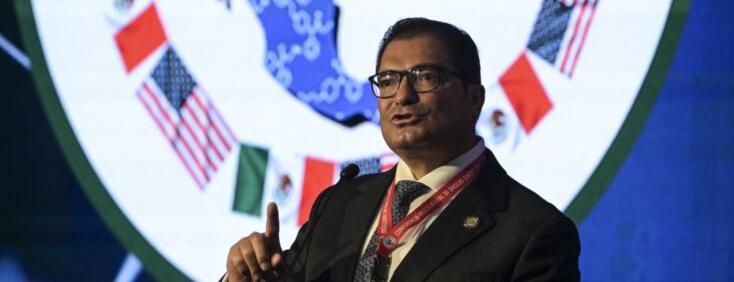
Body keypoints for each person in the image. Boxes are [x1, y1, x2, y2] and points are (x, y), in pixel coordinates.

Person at [225, 17, 581, 281]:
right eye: (388, 81)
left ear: (475, 99)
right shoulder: (338, 204)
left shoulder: (532, 233)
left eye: (425, 77)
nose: (403, 96)